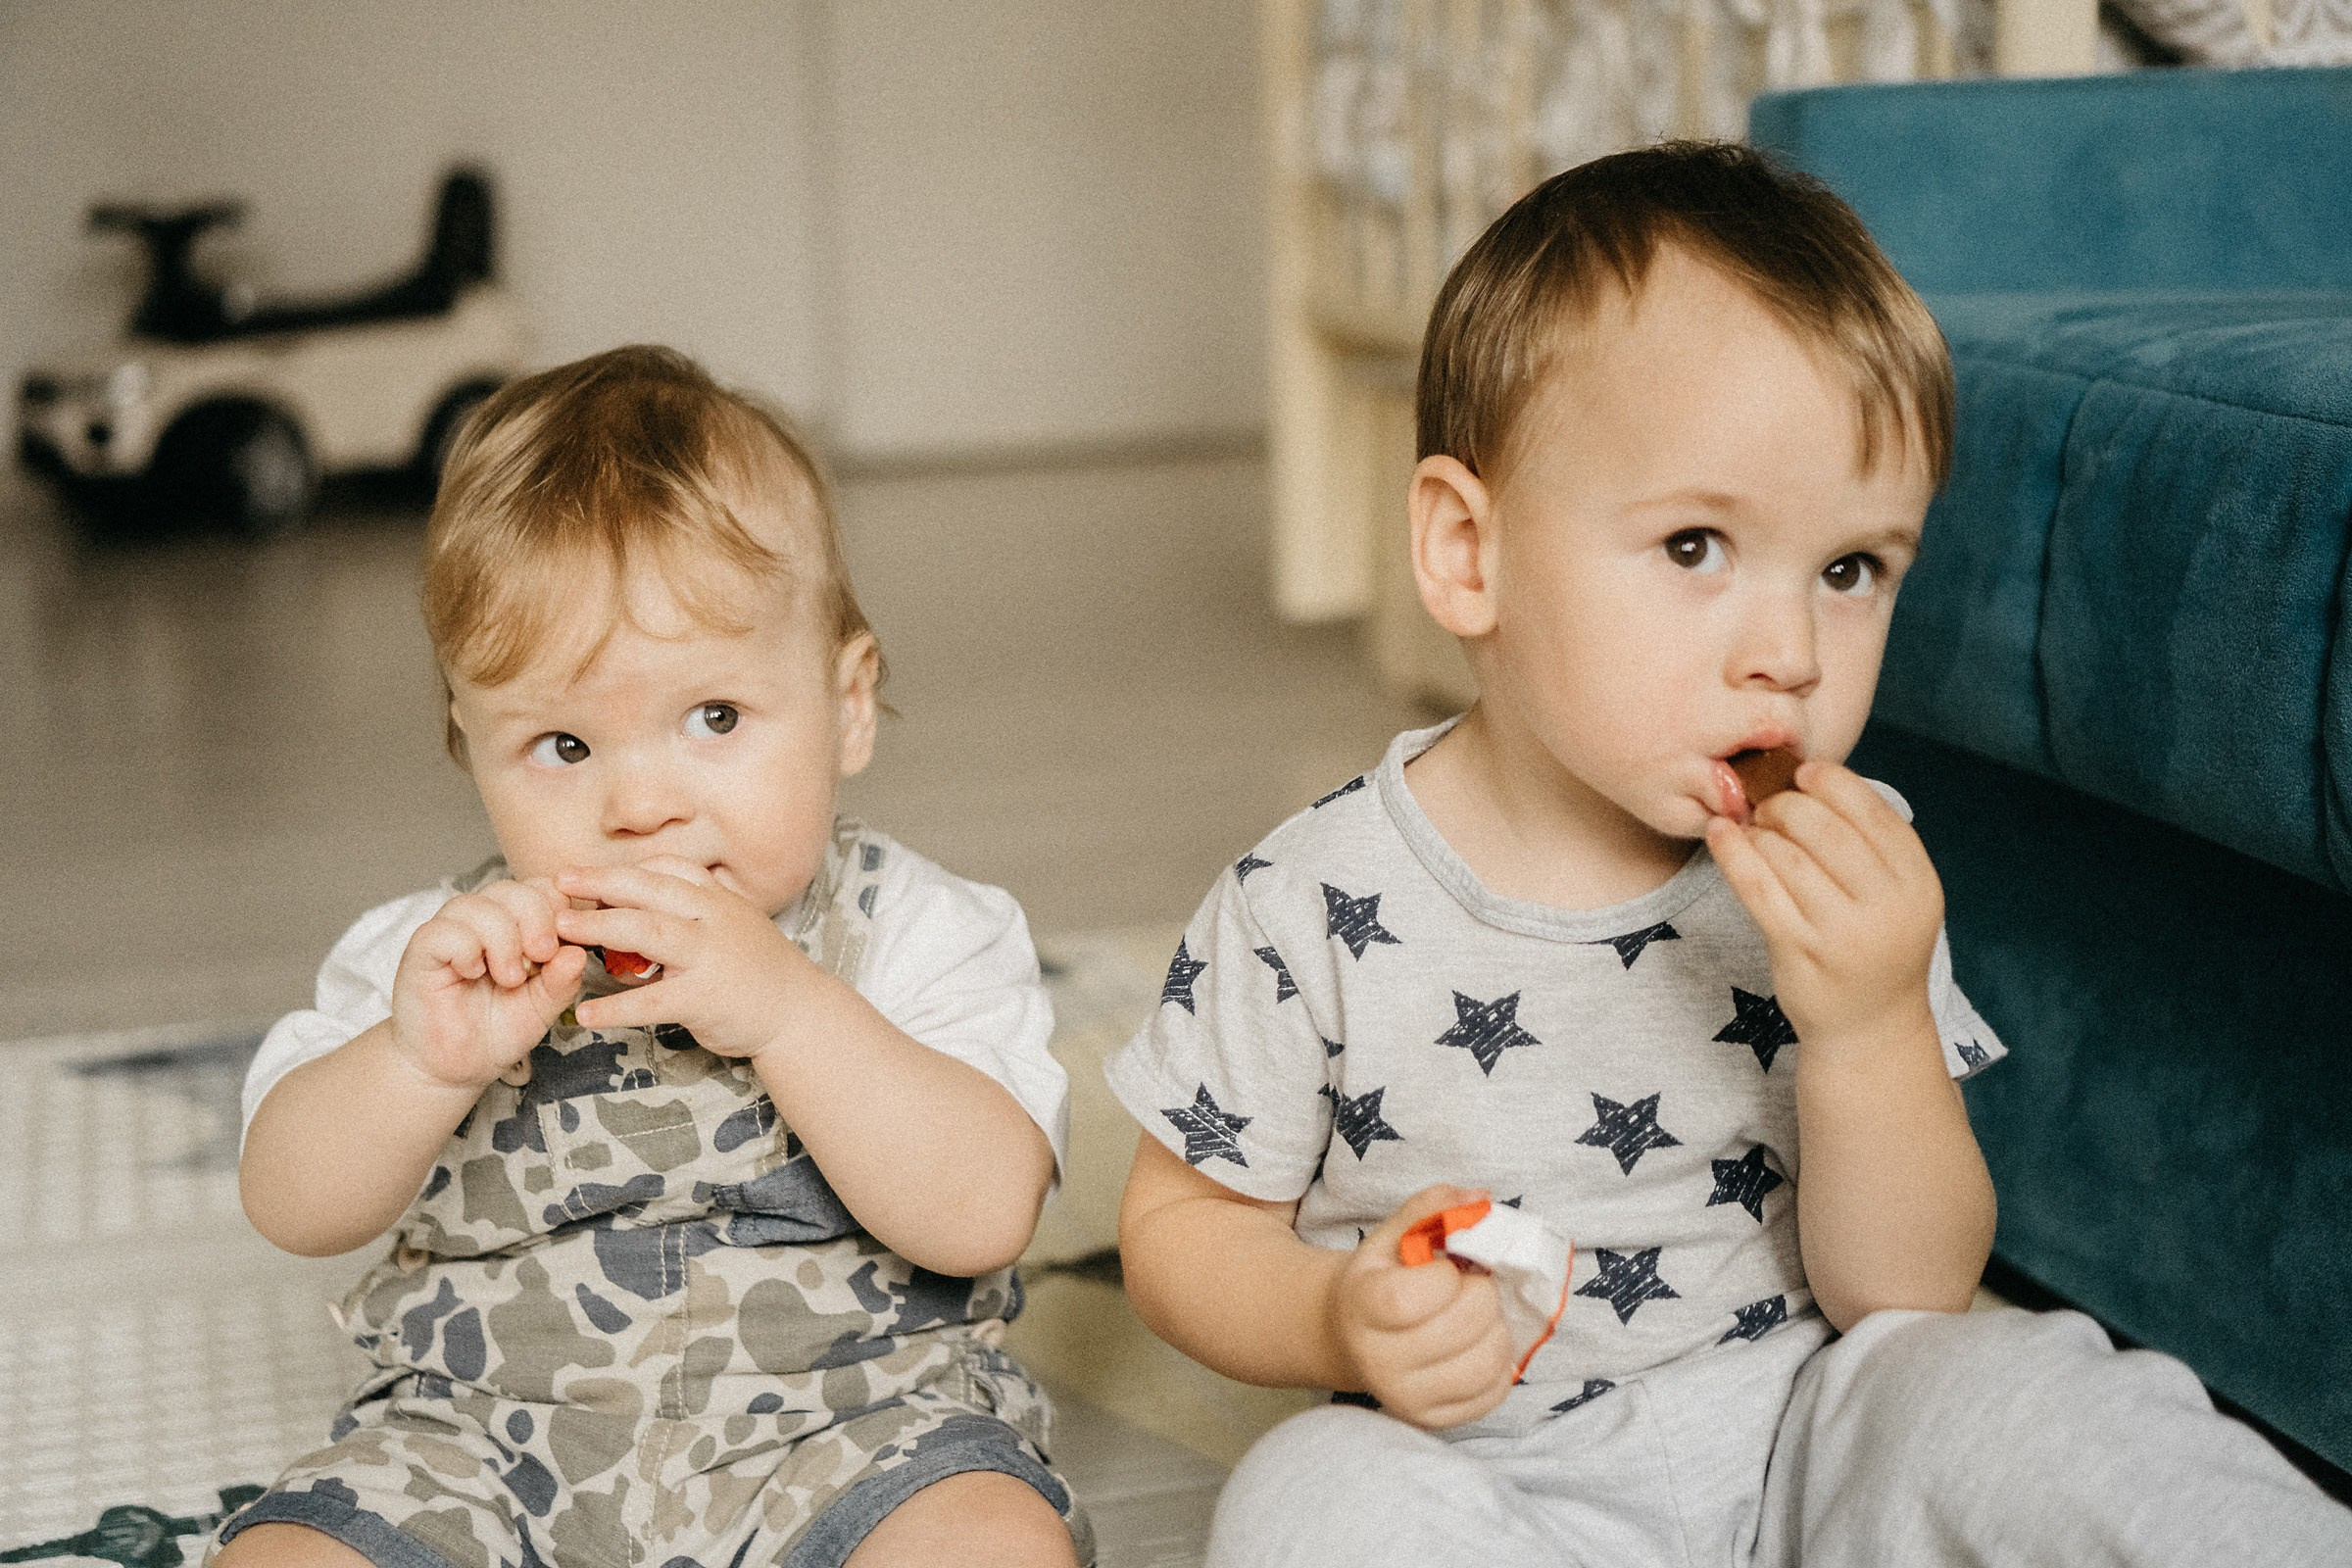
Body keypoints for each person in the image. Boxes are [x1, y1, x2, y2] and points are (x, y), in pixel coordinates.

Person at [1107, 143, 2352, 1566]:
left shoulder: (1850, 863)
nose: (1789, 656)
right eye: (1697, 545)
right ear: (1469, 550)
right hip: (1481, 1483)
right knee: (1310, 1497)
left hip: (1817, 1435)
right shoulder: (1306, 906)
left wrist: (1872, 1024)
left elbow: (1908, 1295)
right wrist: (1334, 1316)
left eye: (1850, 570)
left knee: (2030, 1393)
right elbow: (1179, 1229)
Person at [215, 347, 1089, 1568]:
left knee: (990, 1542)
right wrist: (416, 1064)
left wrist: (791, 1013)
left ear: (847, 704)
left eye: (715, 718)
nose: (640, 806)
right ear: (467, 742)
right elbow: (290, 1202)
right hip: (484, 1443)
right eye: (562, 744)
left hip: (847, 1433)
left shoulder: (917, 929)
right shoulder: (441, 959)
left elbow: (984, 1210)